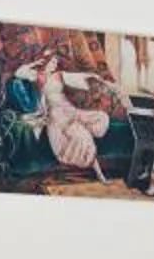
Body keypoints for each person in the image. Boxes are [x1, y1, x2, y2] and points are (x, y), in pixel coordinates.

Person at [24, 53, 117, 188]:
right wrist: (34, 64)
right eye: (52, 62)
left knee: (87, 137)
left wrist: (94, 76)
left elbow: (79, 77)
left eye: (56, 63)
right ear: (46, 63)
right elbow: (19, 72)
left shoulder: (59, 75)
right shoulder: (38, 76)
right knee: (76, 138)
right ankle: (97, 174)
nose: (54, 65)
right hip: (56, 115)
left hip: (69, 110)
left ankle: (101, 176)